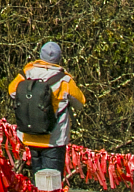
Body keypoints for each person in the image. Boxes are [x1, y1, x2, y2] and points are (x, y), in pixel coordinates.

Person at [8, 40, 86, 179]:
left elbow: (12, 91)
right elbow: (80, 102)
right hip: (54, 139)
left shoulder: (26, 73)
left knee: (38, 180)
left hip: (30, 135)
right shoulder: (64, 80)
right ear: (59, 58)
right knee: (52, 182)